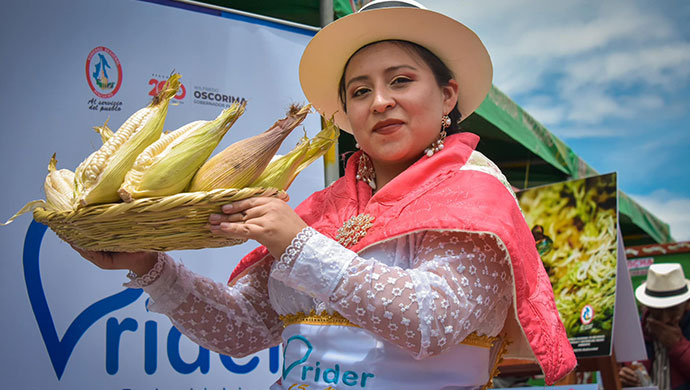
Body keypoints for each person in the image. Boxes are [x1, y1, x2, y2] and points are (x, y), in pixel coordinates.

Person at [72, 1, 576, 388]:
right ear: (346, 116)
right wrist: (149, 265)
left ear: (448, 95)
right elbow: (243, 330)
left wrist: (297, 246)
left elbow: (432, 321)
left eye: (400, 81)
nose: (380, 102)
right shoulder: (323, 210)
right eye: (359, 91)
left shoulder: (475, 195)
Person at [619, 263, 690, 390]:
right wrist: (624, 377)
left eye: (673, 310)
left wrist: (678, 346)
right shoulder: (636, 331)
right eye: (657, 310)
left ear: (687, 304)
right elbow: (625, 370)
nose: (664, 319)